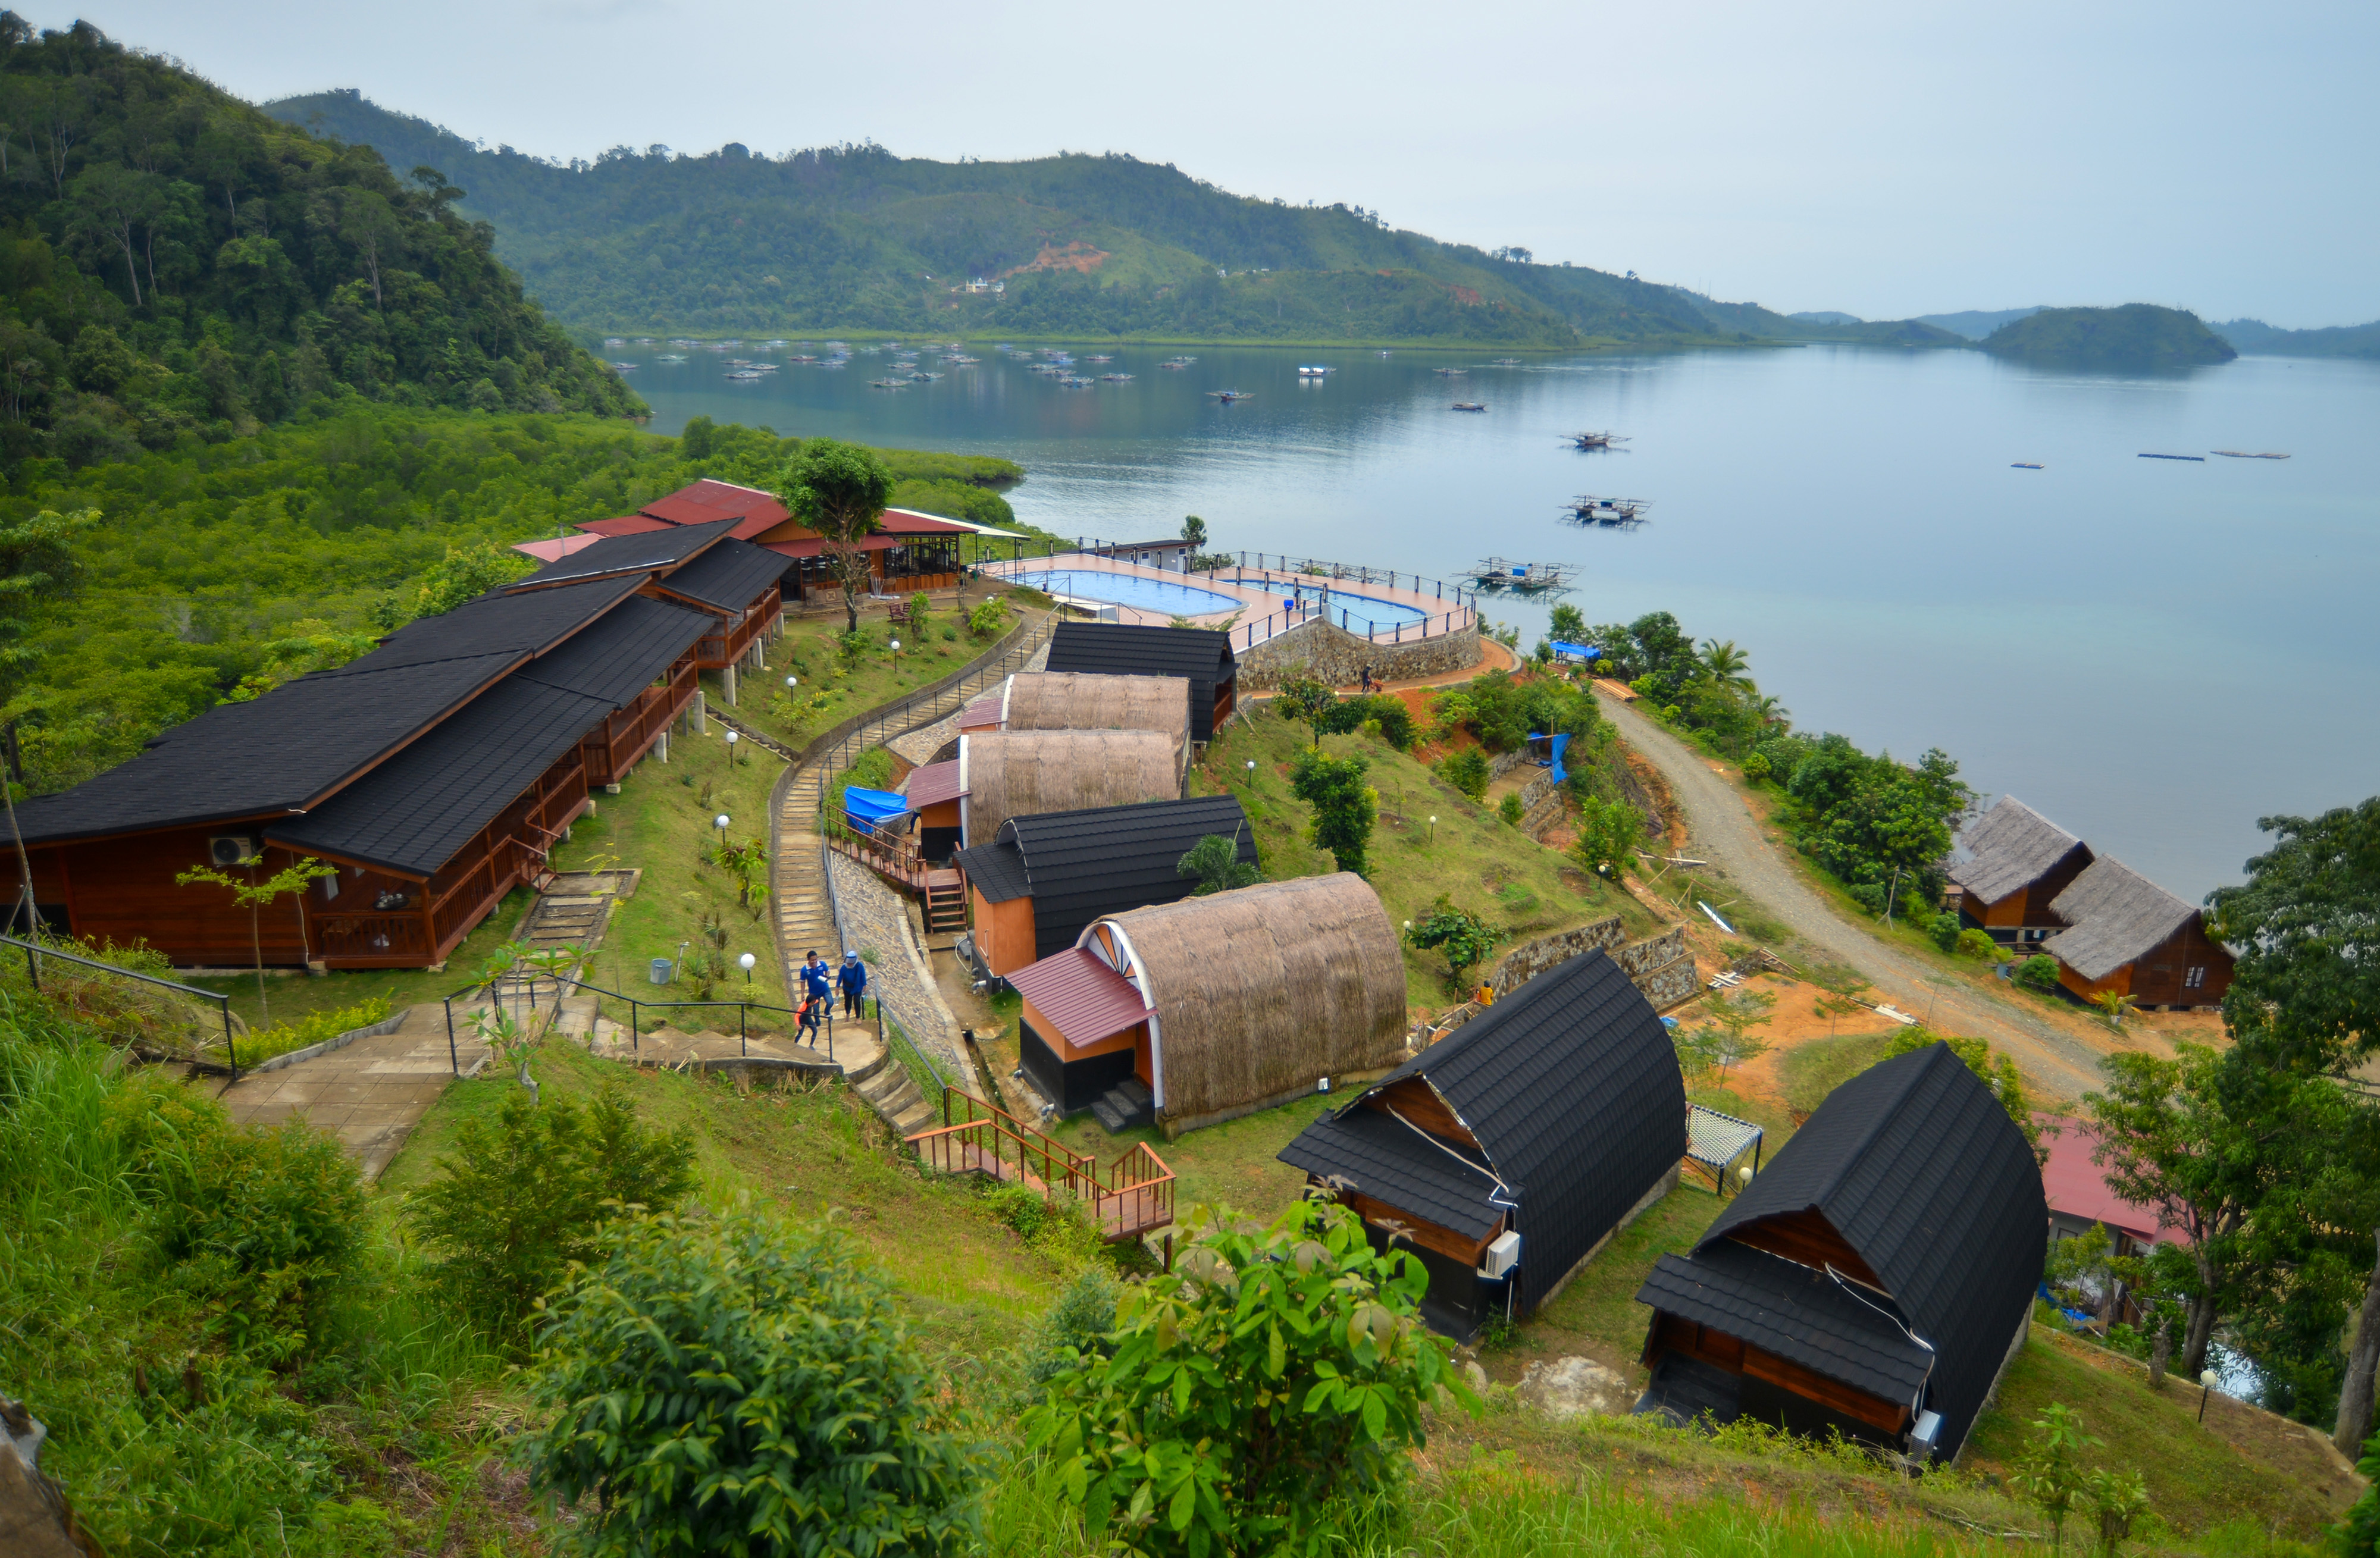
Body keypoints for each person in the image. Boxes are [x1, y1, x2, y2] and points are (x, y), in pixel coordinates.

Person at [838, 950, 868, 1018]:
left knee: (857, 1002)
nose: (850, 964)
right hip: (847, 988)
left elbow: (863, 976)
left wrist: (865, 986)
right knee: (848, 1002)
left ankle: (858, 1017)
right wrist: (837, 987)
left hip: (857, 988)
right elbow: (840, 977)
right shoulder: (844, 967)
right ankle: (848, 1014)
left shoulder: (860, 966)